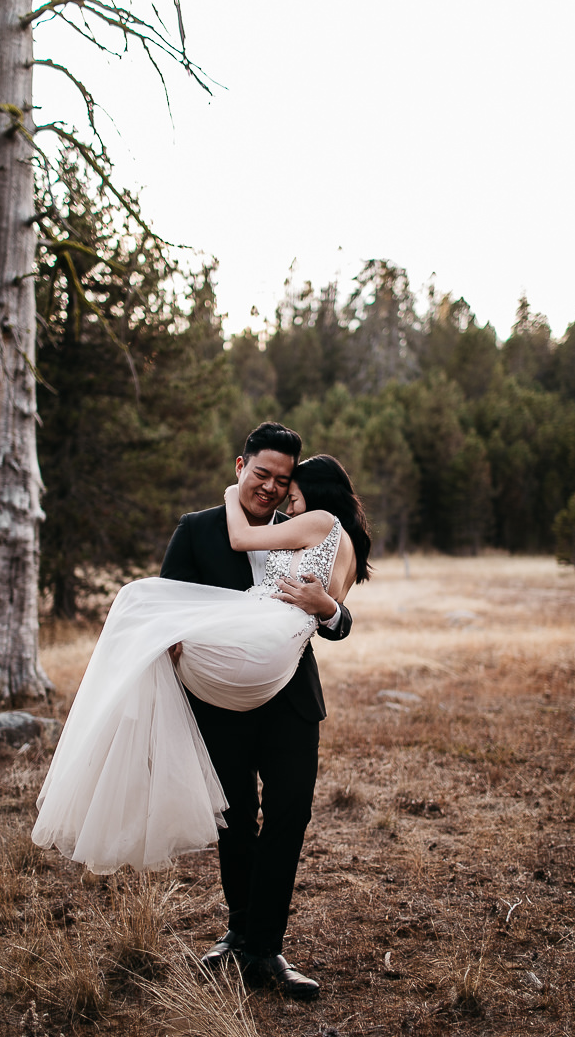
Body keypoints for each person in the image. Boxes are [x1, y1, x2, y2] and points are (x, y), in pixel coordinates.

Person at [32, 422, 370, 998]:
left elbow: (332, 618)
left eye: (282, 480)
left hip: (289, 698)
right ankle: (239, 936)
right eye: (261, 474)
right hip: (216, 700)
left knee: (290, 815)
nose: (270, 488)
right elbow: (167, 604)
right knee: (236, 819)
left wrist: (330, 611)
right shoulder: (198, 530)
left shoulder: (300, 528)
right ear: (240, 467)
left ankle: (268, 950)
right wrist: (176, 647)